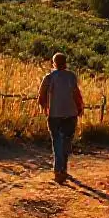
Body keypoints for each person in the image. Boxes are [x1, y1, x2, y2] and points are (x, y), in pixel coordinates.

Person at [38, 52, 84, 184]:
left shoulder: (49, 77)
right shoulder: (71, 77)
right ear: (65, 63)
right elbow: (76, 94)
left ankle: (58, 169)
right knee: (67, 141)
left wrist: (45, 107)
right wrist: (80, 107)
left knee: (57, 141)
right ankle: (62, 168)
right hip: (70, 114)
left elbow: (41, 95)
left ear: (54, 63)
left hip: (54, 114)